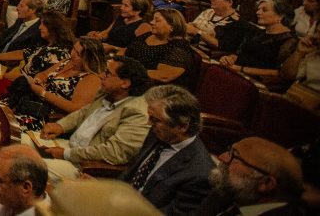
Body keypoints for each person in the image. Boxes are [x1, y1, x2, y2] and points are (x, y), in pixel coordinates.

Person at [22, 55, 151, 182]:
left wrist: (66, 154)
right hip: (70, 146)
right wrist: (61, 126)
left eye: (107, 73)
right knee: (20, 140)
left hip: (85, 166)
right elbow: (83, 112)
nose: (101, 75)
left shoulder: (137, 113)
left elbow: (114, 152)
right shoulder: (107, 92)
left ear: (125, 83)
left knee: (24, 167)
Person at [120, 84, 214, 215]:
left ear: (181, 126)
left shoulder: (199, 174)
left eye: (155, 119)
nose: (148, 123)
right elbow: (131, 175)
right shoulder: (159, 134)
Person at [198, 137, 306, 215]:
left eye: (235, 157)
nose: (222, 157)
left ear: (266, 183)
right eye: (229, 150)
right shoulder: (228, 193)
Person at [218, 0, 297, 79]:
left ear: (280, 16)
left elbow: (278, 72)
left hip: (259, 81)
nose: (258, 12)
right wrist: (229, 59)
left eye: (264, 10)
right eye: (258, 9)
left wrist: (241, 69)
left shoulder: (289, 40)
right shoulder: (257, 32)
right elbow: (241, 54)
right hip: (237, 72)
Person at [123, 8, 198, 89]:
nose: (151, 22)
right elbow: (126, 50)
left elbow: (164, 76)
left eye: (157, 20)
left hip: (159, 91)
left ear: (172, 27)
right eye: (152, 19)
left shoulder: (179, 47)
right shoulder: (148, 35)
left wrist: (127, 72)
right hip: (132, 80)